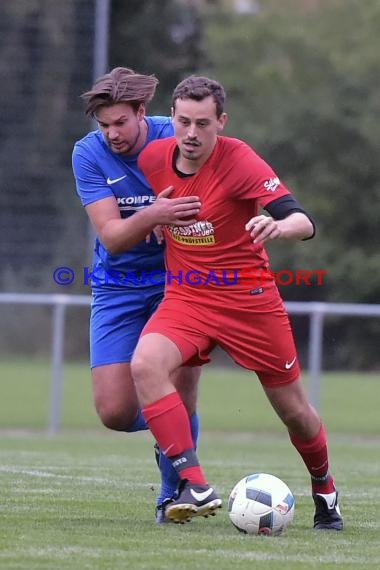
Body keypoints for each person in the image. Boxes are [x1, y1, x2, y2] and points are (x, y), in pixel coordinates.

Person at [131, 75, 343, 530]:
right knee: (146, 364)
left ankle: (325, 489)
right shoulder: (152, 158)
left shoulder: (239, 159)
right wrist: (154, 217)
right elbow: (159, 203)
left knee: (295, 413)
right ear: (172, 118)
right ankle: (195, 485)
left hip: (249, 302)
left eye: (202, 123)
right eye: (183, 121)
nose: (191, 133)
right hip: (186, 295)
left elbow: (302, 221)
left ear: (220, 122)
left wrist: (278, 227)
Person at [71, 67, 202, 523]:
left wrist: (181, 220)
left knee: (179, 389)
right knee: (113, 411)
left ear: (142, 113)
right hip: (117, 287)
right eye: (103, 125)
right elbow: (112, 236)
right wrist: (158, 213)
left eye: (120, 123)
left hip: (181, 283)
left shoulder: (177, 137)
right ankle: (173, 423)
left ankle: (174, 493)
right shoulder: (87, 155)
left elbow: (213, 199)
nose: (111, 134)